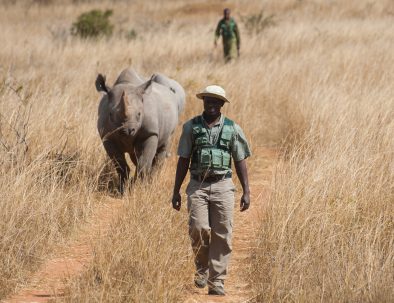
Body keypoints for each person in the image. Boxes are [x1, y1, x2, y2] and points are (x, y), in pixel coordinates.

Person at [171, 85, 251, 296]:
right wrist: (176, 190)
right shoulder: (191, 127)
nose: (212, 105)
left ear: (222, 105)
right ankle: (202, 269)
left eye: (216, 102)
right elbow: (183, 160)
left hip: (224, 185)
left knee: (223, 234)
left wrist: (246, 191)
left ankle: (217, 281)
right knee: (199, 228)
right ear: (203, 102)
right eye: (208, 101)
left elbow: (240, 159)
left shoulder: (233, 128)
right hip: (197, 185)